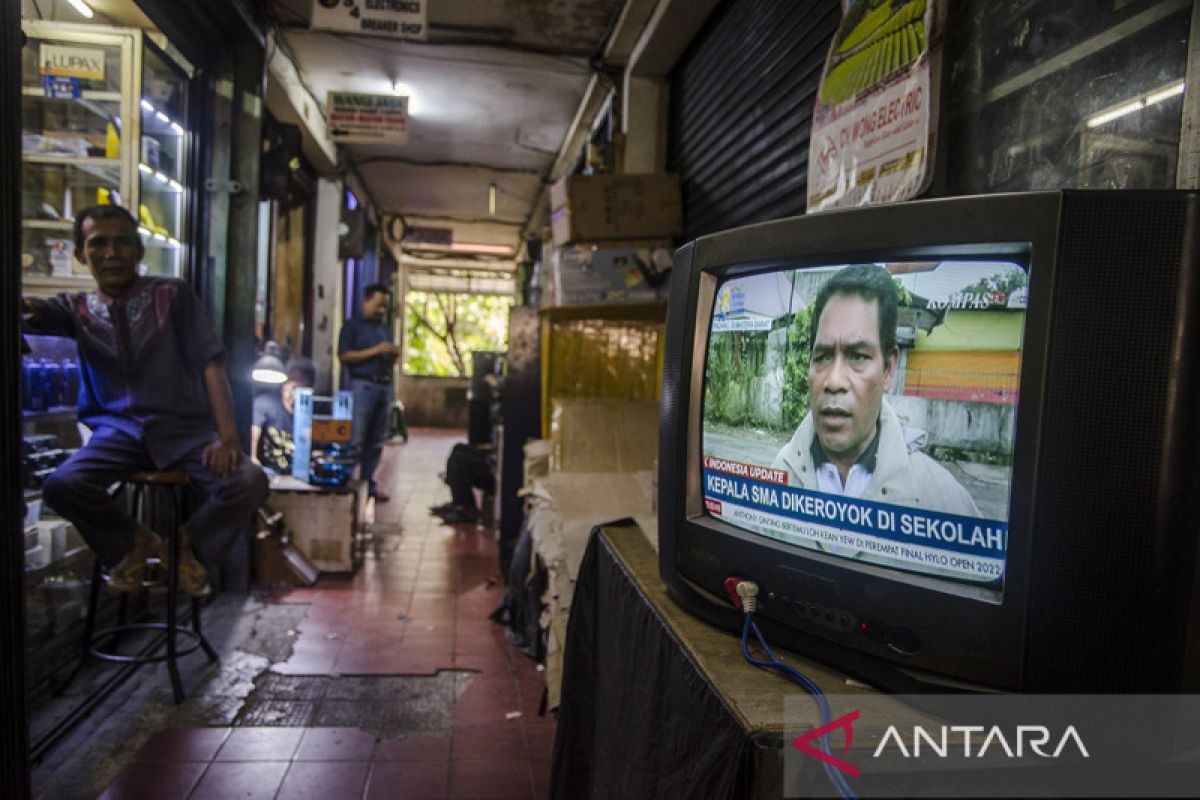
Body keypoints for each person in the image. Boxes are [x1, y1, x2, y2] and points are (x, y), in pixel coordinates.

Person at [26, 205, 268, 597]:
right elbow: (33, 313)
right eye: (98, 244)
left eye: (123, 243)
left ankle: (185, 546)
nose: (111, 253)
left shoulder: (172, 294)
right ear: (79, 255)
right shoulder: (77, 309)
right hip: (115, 436)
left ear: (139, 252)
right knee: (62, 484)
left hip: (185, 433)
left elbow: (211, 363)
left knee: (249, 480)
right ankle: (135, 543)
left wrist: (228, 438)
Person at [773, 264, 980, 516]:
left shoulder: (942, 501)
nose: (834, 381)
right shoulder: (779, 472)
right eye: (823, 356)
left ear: (888, 369)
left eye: (858, 356)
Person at [337, 283, 399, 502]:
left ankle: (368, 485)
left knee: (376, 441)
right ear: (366, 300)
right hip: (362, 386)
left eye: (385, 307)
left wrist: (391, 353)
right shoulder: (353, 327)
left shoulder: (384, 329)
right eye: (378, 305)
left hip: (383, 386)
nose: (382, 310)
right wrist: (376, 351)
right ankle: (344, 484)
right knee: (356, 440)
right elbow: (344, 356)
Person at [251, 356, 315, 474]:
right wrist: (253, 459)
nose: (294, 394)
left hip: (301, 473)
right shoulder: (265, 403)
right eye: (293, 387)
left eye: (303, 388)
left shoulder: (312, 412)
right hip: (270, 470)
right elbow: (254, 432)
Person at [430, 443, 496, 524]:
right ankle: (458, 502)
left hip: (496, 471)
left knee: (458, 460)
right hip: (494, 459)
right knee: (458, 448)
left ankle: (464, 508)